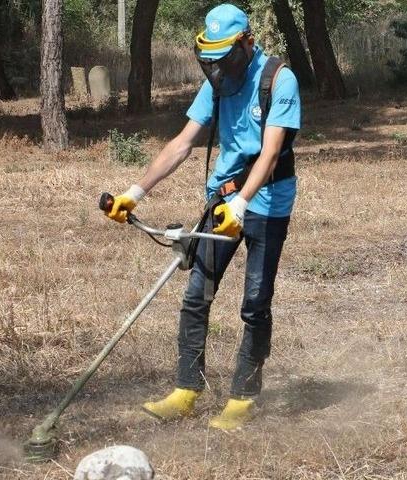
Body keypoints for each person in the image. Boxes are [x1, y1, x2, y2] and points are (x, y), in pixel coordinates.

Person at [104, 3, 301, 431]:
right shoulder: (217, 81)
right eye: (209, 60)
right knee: (197, 296)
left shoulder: (278, 79)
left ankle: (244, 398)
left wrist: (242, 203)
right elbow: (181, 143)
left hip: (266, 203)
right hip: (222, 201)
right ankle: (186, 390)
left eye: (223, 59)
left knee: (254, 302)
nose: (217, 69)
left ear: (246, 43)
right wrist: (134, 194)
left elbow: (270, 153)